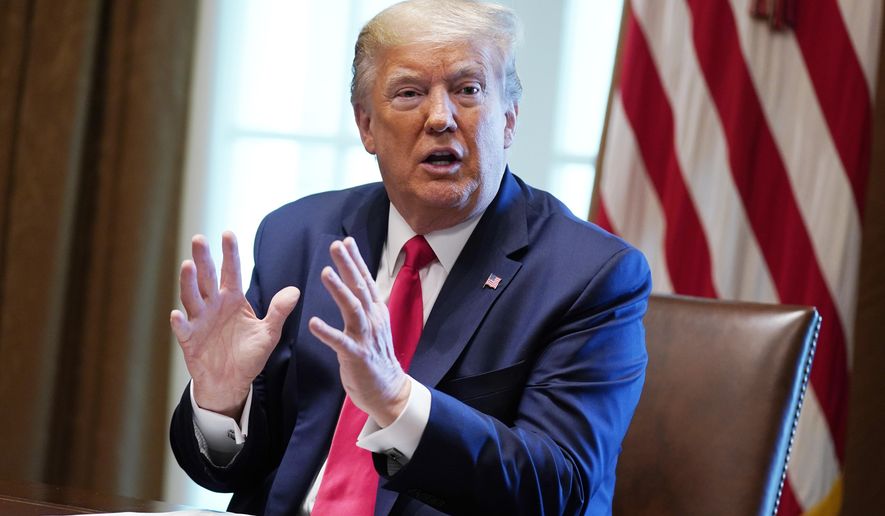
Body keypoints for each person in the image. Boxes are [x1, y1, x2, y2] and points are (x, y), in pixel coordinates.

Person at [169, 0, 651, 514]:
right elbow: (236, 469)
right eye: (409, 93)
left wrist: (398, 400)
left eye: (468, 90)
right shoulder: (297, 235)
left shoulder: (590, 276)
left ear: (509, 119)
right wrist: (222, 401)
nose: (440, 118)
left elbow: (559, 489)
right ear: (366, 125)